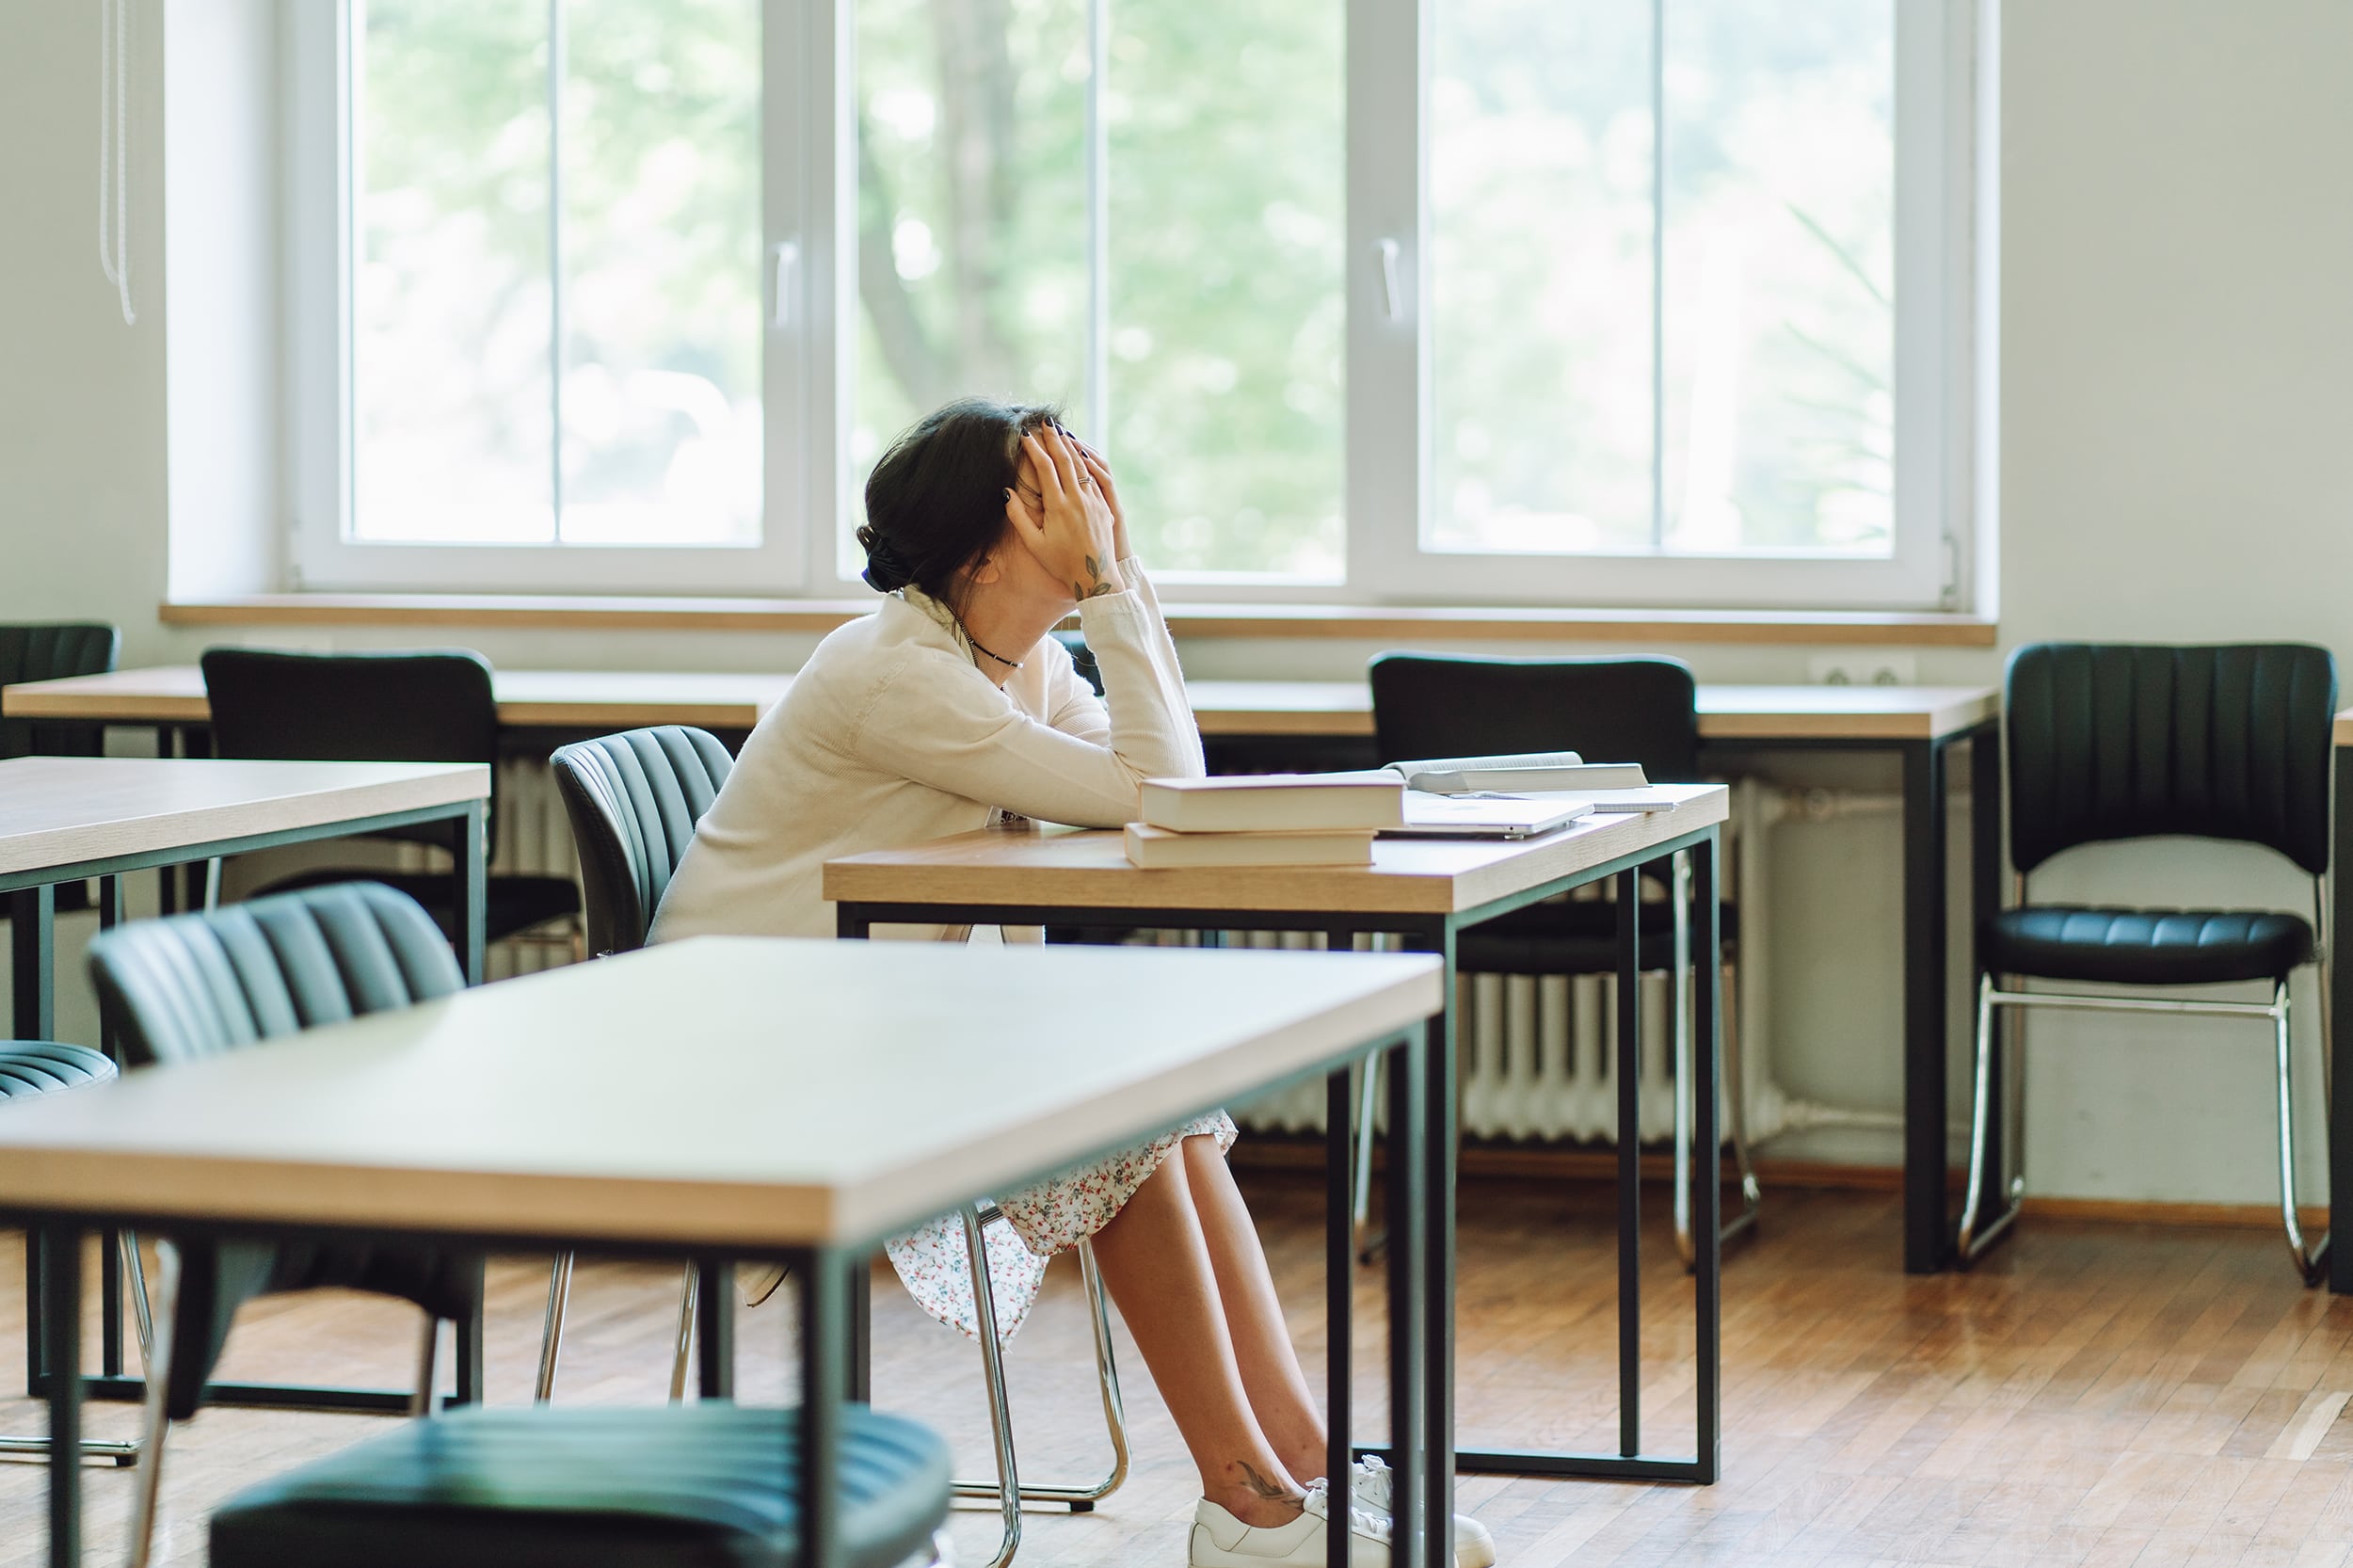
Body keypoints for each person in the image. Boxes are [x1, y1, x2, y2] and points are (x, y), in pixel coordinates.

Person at [651, 398, 1492, 1568]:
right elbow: (1153, 798)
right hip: (751, 1050)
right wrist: (1109, 585)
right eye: (1050, 484)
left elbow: (1168, 778)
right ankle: (1243, 1501)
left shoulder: (1014, 659)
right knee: (1111, 1119)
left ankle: (1299, 1461)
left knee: (1168, 1108)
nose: (1091, 495)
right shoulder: (900, 671)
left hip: (867, 1020)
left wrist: (1119, 580)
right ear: (983, 544)